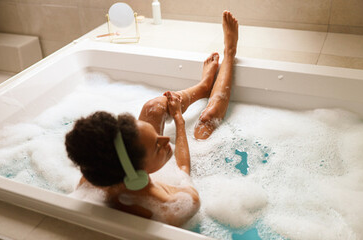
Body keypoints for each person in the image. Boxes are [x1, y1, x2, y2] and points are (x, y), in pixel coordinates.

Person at [64, 11, 238, 226]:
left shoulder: (96, 175)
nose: (167, 141)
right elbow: (183, 169)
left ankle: (203, 87)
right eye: (158, 145)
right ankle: (230, 52)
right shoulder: (175, 205)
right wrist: (180, 123)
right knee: (207, 119)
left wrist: (171, 117)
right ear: (136, 174)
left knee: (153, 107)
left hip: (141, 168)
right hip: (176, 176)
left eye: (158, 136)